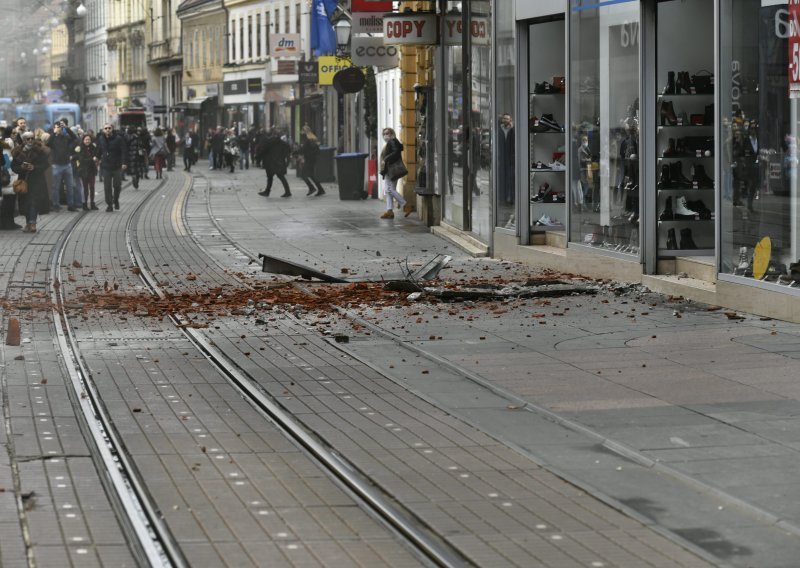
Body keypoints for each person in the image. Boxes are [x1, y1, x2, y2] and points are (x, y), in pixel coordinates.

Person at [11, 131, 50, 232]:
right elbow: (14, 167)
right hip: (24, 181)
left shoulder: (40, 151)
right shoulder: (18, 152)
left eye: (32, 138)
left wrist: (34, 167)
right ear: (24, 140)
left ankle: (33, 223)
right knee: (25, 203)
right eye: (28, 139)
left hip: (36, 181)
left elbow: (46, 165)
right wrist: (22, 167)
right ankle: (28, 223)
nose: (30, 141)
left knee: (33, 202)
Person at [379, 127, 411, 218]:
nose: (386, 135)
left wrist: (385, 159)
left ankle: (406, 205)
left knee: (390, 190)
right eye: (384, 134)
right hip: (390, 170)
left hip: (392, 169)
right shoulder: (391, 142)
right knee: (388, 190)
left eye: (388, 133)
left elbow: (396, 152)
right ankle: (389, 211)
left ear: (392, 133)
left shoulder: (392, 141)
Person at [47, 120, 79, 211]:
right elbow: (48, 143)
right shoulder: (53, 138)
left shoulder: (66, 137)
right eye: (58, 127)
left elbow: (74, 137)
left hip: (67, 165)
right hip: (57, 166)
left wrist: (66, 128)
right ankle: (56, 205)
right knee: (55, 187)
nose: (59, 128)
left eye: (60, 127)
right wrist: (54, 133)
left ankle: (71, 205)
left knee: (70, 186)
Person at [96, 124, 128, 211]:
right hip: (106, 166)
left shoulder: (118, 139)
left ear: (112, 129)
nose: (107, 130)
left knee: (117, 185)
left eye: (109, 128)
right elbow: (99, 150)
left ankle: (116, 199)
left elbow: (124, 151)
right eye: (105, 128)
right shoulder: (101, 139)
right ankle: (109, 204)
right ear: (103, 130)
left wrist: (124, 162)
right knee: (107, 187)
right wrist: (97, 157)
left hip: (117, 166)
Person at [259, 130, 291, 197]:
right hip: (279, 163)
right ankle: (287, 191)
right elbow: (288, 150)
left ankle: (267, 192)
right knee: (281, 177)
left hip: (270, 163)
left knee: (270, 178)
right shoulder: (282, 143)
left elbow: (263, 150)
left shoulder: (269, 142)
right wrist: (285, 159)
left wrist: (260, 158)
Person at [0, 129, 21, 230]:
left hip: (6, 176)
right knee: (9, 202)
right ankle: (9, 223)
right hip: (8, 176)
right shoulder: (8, 145)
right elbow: (6, 161)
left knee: (6, 202)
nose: (15, 135)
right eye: (13, 133)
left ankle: (6, 223)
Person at [299, 126, 324, 197]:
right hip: (312, 160)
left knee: (303, 175)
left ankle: (312, 188)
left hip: (309, 160)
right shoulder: (313, 138)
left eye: (302, 131)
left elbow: (303, 150)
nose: (301, 132)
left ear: (305, 131)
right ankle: (320, 189)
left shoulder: (308, 140)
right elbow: (318, 151)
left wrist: (295, 152)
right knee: (311, 175)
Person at [76, 134, 98, 210]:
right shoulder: (80, 148)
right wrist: (92, 159)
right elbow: (81, 160)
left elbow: (96, 155)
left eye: (89, 139)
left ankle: (92, 203)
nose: (87, 141)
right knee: (85, 188)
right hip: (83, 171)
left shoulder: (93, 147)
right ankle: (84, 204)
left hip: (92, 170)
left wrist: (96, 158)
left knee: (92, 187)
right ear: (83, 140)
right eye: (86, 139)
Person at [498, 114, 515, 206]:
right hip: (502, 158)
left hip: (510, 159)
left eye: (507, 119)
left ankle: (510, 198)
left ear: (510, 120)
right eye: (504, 118)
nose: (505, 120)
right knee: (502, 178)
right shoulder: (499, 130)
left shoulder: (513, 130)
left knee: (510, 179)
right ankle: (502, 198)